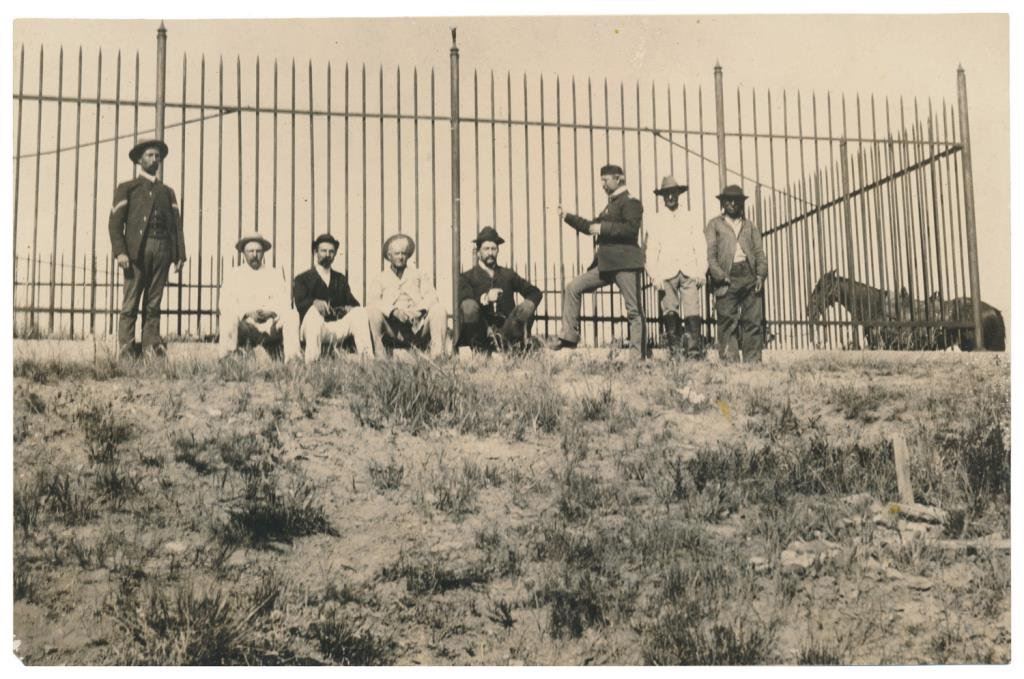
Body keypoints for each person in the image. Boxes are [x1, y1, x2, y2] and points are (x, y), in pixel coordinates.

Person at [555, 164, 646, 358]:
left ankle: (637, 358)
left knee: (633, 310)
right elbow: (590, 227)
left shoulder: (631, 202)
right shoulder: (611, 205)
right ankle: (568, 339)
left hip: (625, 265)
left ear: (618, 178)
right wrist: (567, 216)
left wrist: (603, 228)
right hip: (605, 265)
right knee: (573, 288)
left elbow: (631, 230)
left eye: (606, 180)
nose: (603, 184)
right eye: (602, 180)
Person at [108, 139, 186, 358]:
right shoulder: (127, 188)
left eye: (157, 156)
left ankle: (150, 350)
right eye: (150, 155)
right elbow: (114, 224)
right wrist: (121, 252)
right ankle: (126, 353)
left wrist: (179, 254)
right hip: (136, 253)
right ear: (139, 160)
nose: (154, 159)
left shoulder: (167, 192)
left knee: (153, 304)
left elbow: (176, 225)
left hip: (162, 252)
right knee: (130, 303)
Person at [645, 175, 707, 358]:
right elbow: (651, 249)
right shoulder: (656, 220)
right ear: (662, 197)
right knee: (670, 311)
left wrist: (701, 271)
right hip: (666, 272)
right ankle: (676, 353)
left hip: (689, 270)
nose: (670, 197)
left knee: (692, 309)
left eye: (673, 193)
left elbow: (700, 245)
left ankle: (693, 353)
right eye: (667, 194)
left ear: (679, 194)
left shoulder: (690, 217)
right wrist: (654, 275)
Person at [704, 185, 768, 362]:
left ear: (741, 203)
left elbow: (759, 253)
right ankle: (730, 363)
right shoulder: (714, 225)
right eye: (728, 200)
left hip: (748, 275)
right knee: (726, 321)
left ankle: (752, 362)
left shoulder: (750, 226)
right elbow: (711, 255)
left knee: (752, 320)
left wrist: (760, 275)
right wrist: (720, 275)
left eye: (736, 200)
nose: (732, 203)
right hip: (726, 277)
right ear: (723, 203)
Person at [457, 226, 543, 353]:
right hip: (481, 331)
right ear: (478, 252)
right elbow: (466, 301)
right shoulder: (467, 277)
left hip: (507, 330)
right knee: (468, 306)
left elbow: (535, 292)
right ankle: (478, 349)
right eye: (486, 249)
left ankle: (510, 347)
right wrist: (486, 298)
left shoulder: (508, 275)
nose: (490, 253)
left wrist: (527, 306)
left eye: (493, 249)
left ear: (498, 251)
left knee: (527, 306)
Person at [218, 232, 300, 360]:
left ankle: (293, 359)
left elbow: (284, 301)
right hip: (246, 326)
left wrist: (271, 312)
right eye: (250, 251)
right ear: (243, 253)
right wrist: (246, 313)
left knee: (292, 315)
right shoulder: (233, 275)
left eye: (258, 251)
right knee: (227, 317)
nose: (255, 255)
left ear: (263, 253)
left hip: (270, 326)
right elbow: (225, 303)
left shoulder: (274, 274)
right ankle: (228, 358)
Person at [293, 233, 374, 361]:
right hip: (314, 327)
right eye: (323, 251)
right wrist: (314, 302)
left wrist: (349, 308)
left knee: (359, 312)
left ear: (335, 254)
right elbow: (299, 303)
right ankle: (312, 361)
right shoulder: (302, 278)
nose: (327, 255)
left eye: (331, 251)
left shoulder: (340, 278)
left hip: (336, 327)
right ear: (315, 252)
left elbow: (354, 303)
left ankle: (367, 358)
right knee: (313, 314)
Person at [366, 234, 447, 357]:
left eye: (404, 253)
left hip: (417, 328)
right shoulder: (380, 278)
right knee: (373, 312)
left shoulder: (419, 275)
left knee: (439, 309)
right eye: (397, 254)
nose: (401, 257)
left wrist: (418, 311)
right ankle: (379, 356)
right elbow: (373, 301)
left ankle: (438, 356)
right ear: (389, 256)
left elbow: (432, 296)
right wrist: (393, 311)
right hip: (392, 330)